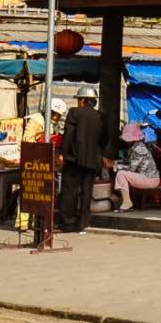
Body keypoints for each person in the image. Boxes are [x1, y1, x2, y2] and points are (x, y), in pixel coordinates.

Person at [57, 88, 106, 233]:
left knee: (69, 191)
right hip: (93, 160)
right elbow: (103, 140)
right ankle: (83, 223)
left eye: (79, 99)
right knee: (86, 191)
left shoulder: (74, 113)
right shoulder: (101, 117)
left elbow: (68, 135)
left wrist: (62, 154)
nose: (78, 102)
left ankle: (68, 223)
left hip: (74, 159)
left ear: (83, 100)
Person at [111, 123, 161, 211]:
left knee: (121, 174)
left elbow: (131, 168)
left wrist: (115, 166)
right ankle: (126, 200)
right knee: (122, 174)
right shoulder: (137, 146)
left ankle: (127, 202)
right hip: (149, 178)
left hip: (149, 179)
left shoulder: (138, 148)